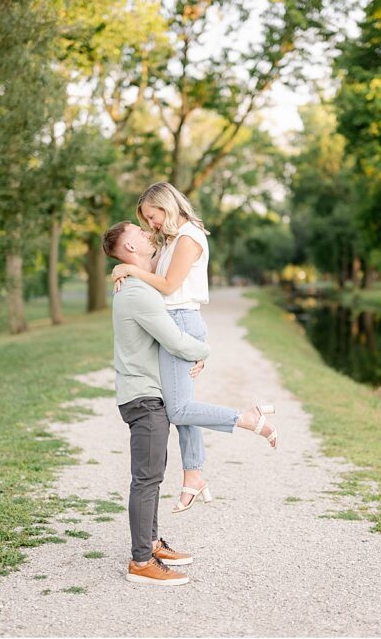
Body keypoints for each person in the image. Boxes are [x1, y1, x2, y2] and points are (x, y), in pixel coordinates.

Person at [111, 183, 277, 513]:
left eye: (151, 215)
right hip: (173, 321)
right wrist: (124, 265)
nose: (150, 224)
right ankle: (193, 475)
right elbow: (150, 271)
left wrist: (128, 268)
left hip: (181, 321)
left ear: (165, 205)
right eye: (145, 220)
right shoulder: (173, 239)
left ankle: (249, 418)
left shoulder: (188, 238)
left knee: (179, 409)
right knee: (181, 404)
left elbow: (169, 285)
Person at [102, 220, 211, 585]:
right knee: (146, 479)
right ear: (130, 248)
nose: (148, 232)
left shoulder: (136, 285)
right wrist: (204, 350)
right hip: (144, 398)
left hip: (149, 394)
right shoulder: (137, 293)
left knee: (152, 475)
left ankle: (150, 542)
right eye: (139, 231)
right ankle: (140, 562)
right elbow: (176, 341)